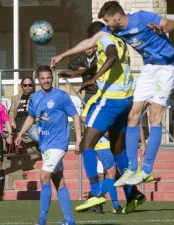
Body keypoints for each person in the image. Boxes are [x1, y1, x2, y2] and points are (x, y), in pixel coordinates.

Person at [51, 21, 145, 213]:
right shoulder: (119, 40)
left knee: (86, 144)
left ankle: (95, 194)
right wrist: (78, 73)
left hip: (111, 100)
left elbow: (111, 57)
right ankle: (133, 193)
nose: (91, 44)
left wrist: (93, 80)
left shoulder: (104, 38)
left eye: (91, 40)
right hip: (126, 100)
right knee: (117, 148)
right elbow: (109, 63)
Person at [97, 1, 174, 186]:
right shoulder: (114, 30)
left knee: (154, 114)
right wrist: (63, 55)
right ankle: (132, 168)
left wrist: (162, 28)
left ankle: (148, 169)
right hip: (149, 68)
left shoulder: (142, 17)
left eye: (107, 20)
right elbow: (90, 40)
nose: (106, 24)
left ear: (117, 16)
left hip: (167, 66)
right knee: (133, 115)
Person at [15, 65, 82, 225]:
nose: (46, 80)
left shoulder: (61, 96)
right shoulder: (35, 97)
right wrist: (20, 134)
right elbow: (31, 117)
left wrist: (79, 140)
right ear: (38, 80)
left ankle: (42, 218)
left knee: (44, 175)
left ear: (52, 78)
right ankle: (69, 220)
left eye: (48, 77)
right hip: (45, 144)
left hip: (58, 144)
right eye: (43, 78)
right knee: (58, 180)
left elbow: (76, 116)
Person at [9, 77, 39, 143]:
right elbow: (11, 112)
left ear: (33, 86)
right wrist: (12, 122)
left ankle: (41, 152)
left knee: (36, 137)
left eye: (30, 85)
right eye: (25, 85)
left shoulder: (37, 97)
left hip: (31, 123)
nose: (27, 87)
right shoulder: (16, 98)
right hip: (18, 123)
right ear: (22, 86)